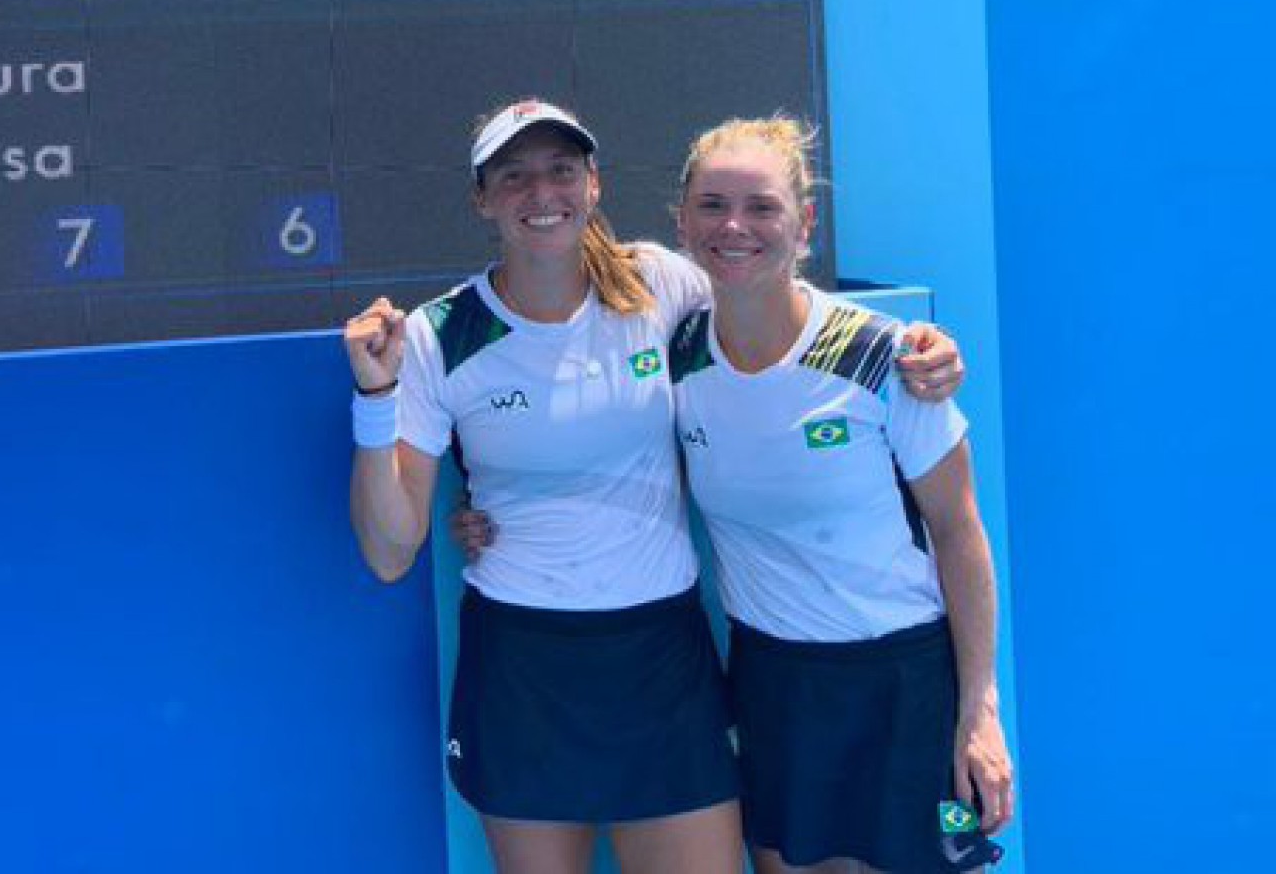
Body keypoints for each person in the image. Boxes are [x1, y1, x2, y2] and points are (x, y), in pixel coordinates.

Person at [346, 99, 966, 874]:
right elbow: (389, 549)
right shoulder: (442, 335)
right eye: (515, 176)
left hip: (662, 661)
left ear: (594, 183)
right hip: (521, 669)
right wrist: (375, 400)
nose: (542, 193)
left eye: (562, 170)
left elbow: (778, 311)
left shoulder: (659, 284)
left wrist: (914, 349)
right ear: (483, 197)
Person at [668, 117, 1012, 874]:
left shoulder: (887, 357)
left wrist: (979, 709)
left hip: (906, 684)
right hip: (774, 685)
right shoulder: (675, 356)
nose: (735, 226)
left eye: (761, 206)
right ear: (682, 221)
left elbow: (959, 530)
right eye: (713, 204)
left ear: (805, 223)